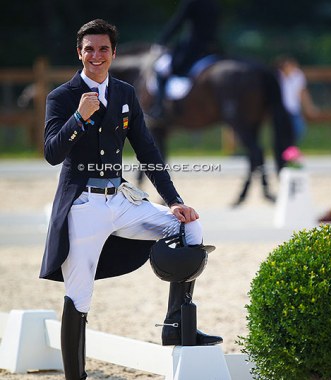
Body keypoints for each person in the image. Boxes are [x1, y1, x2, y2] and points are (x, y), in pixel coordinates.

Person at [40, 19, 222, 380]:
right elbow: (51, 153)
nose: (96, 55)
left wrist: (173, 201)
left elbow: (147, 149)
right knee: (80, 295)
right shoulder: (61, 97)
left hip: (121, 200)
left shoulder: (124, 93)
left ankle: (174, 323)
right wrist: (79, 117)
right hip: (83, 206)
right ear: (79, 53)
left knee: (189, 227)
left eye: (103, 49)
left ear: (113, 53)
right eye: (89, 49)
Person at [276, 56, 320, 143]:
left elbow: (302, 92)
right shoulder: (277, 76)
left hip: (294, 108)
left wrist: (309, 107)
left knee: (299, 129)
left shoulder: (298, 75)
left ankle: (290, 146)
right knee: (282, 131)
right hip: (280, 108)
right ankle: (286, 147)